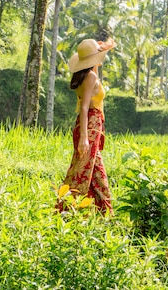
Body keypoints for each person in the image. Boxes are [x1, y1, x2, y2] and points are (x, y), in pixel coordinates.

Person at [56, 38, 115, 215]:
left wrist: (97, 53)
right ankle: (63, 211)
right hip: (88, 127)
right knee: (79, 172)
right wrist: (84, 137)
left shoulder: (88, 74)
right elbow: (84, 106)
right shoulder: (91, 77)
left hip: (92, 126)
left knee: (97, 172)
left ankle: (106, 213)